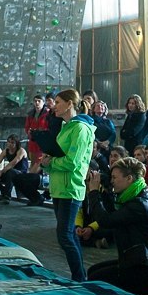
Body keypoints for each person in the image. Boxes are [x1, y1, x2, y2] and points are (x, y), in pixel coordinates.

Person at [79, 156, 148, 295]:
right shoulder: (135, 195)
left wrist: (94, 192)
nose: (112, 180)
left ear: (129, 179)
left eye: (115, 177)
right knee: (94, 271)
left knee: (96, 278)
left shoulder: (138, 204)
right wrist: (104, 190)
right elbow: (110, 213)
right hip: (144, 262)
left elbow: (105, 221)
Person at [41, 89, 95, 282]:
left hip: (70, 187)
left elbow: (73, 162)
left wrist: (52, 162)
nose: (53, 106)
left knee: (64, 236)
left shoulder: (80, 129)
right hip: (59, 187)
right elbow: (60, 156)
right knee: (69, 234)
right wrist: (47, 161)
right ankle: (79, 276)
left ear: (69, 103)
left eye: (57, 102)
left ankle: (79, 277)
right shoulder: (66, 127)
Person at [0, 134, 29, 203]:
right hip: (9, 172)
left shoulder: (21, 151)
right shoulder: (5, 151)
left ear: (17, 143)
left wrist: (0, 173)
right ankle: (4, 192)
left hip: (21, 173)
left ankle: (7, 196)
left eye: (12, 142)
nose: (10, 144)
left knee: (10, 172)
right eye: (8, 142)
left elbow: (13, 163)